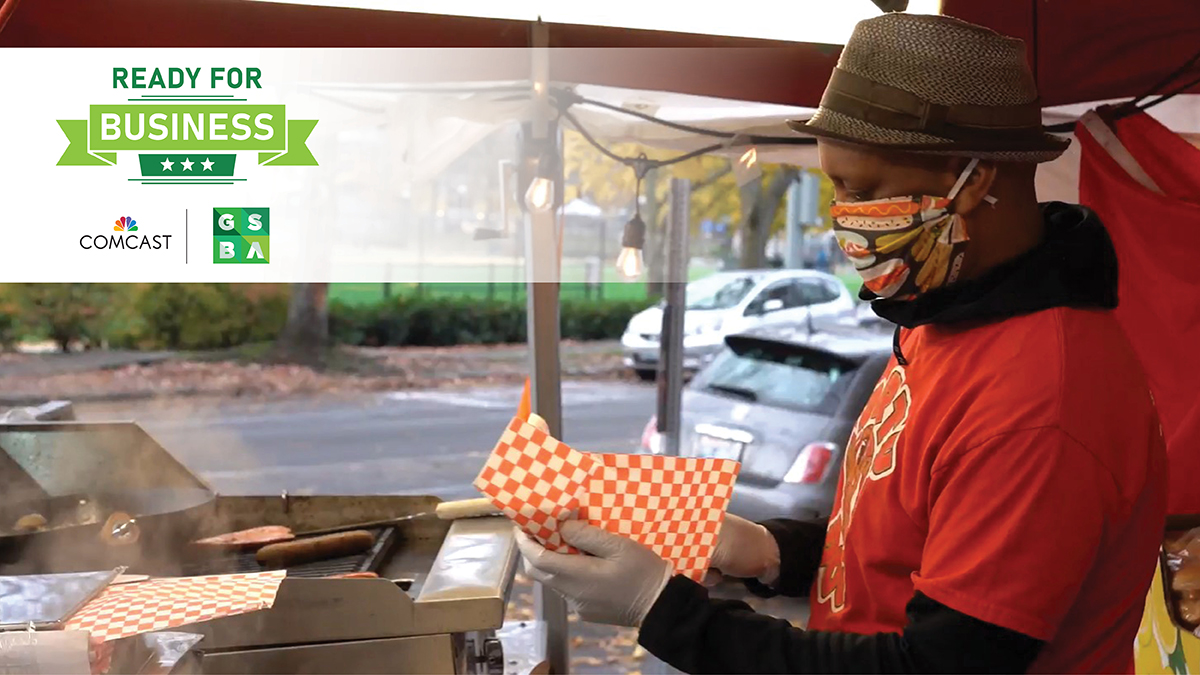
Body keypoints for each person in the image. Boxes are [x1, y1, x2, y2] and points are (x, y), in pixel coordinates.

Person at [517, 12, 1169, 675]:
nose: (843, 220)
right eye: (834, 189)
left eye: (862, 190)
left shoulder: (1042, 402)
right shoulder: (941, 318)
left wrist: (664, 607)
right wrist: (769, 548)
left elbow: (933, 668)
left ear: (973, 180)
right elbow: (903, 541)